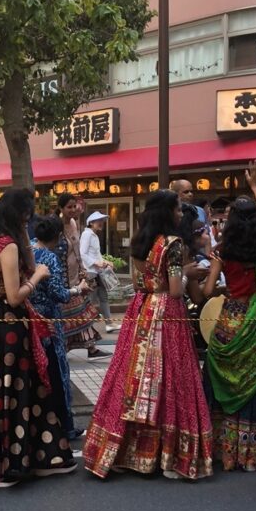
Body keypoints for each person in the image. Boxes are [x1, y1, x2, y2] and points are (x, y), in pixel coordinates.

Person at [83, 190, 214, 481]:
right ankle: (167, 454)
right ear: (167, 213)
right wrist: (192, 273)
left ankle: (125, 450)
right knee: (172, 378)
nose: (181, 214)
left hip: (142, 309)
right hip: (169, 312)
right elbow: (176, 289)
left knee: (132, 376)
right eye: (178, 210)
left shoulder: (141, 242)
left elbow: (146, 280)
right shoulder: (173, 244)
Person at [0, 189, 76, 489]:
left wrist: (25, 247)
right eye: (27, 215)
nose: (30, 220)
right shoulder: (7, 246)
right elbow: (14, 296)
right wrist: (37, 275)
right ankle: (13, 464)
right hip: (10, 327)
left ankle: (20, 460)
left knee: (0, 392)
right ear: (19, 216)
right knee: (16, 393)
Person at [202, 162, 256, 472]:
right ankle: (252, 453)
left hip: (230, 319)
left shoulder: (225, 250)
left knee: (221, 377)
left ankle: (221, 449)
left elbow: (211, 290)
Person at [32, 215, 90, 440]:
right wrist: (78, 289)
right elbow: (59, 293)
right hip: (49, 322)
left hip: (29, 320)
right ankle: (64, 426)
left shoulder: (27, 252)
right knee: (58, 372)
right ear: (57, 236)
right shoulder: (50, 258)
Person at [54, 193, 106, 359]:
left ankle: (90, 348)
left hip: (76, 275)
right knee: (66, 316)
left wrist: (83, 268)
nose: (72, 210)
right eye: (68, 207)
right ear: (60, 208)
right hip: (60, 277)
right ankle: (64, 348)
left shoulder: (74, 223)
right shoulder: (54, 225)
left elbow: (77, 250)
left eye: (74, 206)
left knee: (82, 312)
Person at [80, 211, 119, 333]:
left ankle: (109, 323)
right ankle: (86, 327)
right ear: (91, 223)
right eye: (98, 220)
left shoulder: (94, 235)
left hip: (98, 272)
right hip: (91, 272)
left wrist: (106, 262)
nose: (101, 223)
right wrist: (96, 263)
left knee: (103, 297)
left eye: (102, 220)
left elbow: (96, 255)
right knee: (91, 299)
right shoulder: (87, 235)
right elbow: (82, 253)